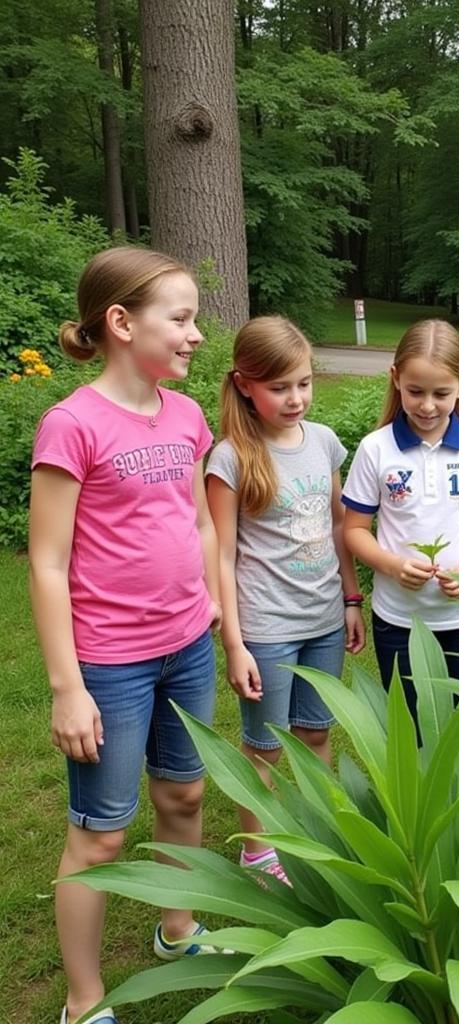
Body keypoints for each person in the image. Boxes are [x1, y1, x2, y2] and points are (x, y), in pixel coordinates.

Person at [29, 247, 222, 1024]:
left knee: (185, 792)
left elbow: (201, 519)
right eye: (180, 318)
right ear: (120, 322)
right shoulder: (71, 423)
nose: (195, 335)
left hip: (188, 647)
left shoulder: (187, 416)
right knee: (100, 839)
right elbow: (46, 563)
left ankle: (178, 929)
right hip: (109, 662)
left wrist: (208, 599)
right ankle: (84, 1001)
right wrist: (67, 687)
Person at [206, 315, 365, 882]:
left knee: (316, 732)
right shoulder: (230, 458)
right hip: (266, 626)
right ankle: (257, 851)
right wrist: (234, 644)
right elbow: (220, 555)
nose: (295, 398)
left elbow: (340, 521)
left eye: (303, 383)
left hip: (324, 618)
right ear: (245, 384)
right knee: (266, 745)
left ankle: (314, 836)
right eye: (279, 387)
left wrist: (351, 599)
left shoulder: (323, 442)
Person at [342, 319, 459, 718]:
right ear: (395, 379)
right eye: (416, 391)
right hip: (398, 620)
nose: (427, 405)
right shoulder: (376, 449)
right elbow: (353, 530)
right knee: (409, 725)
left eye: (442, 393)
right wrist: (393, 565)